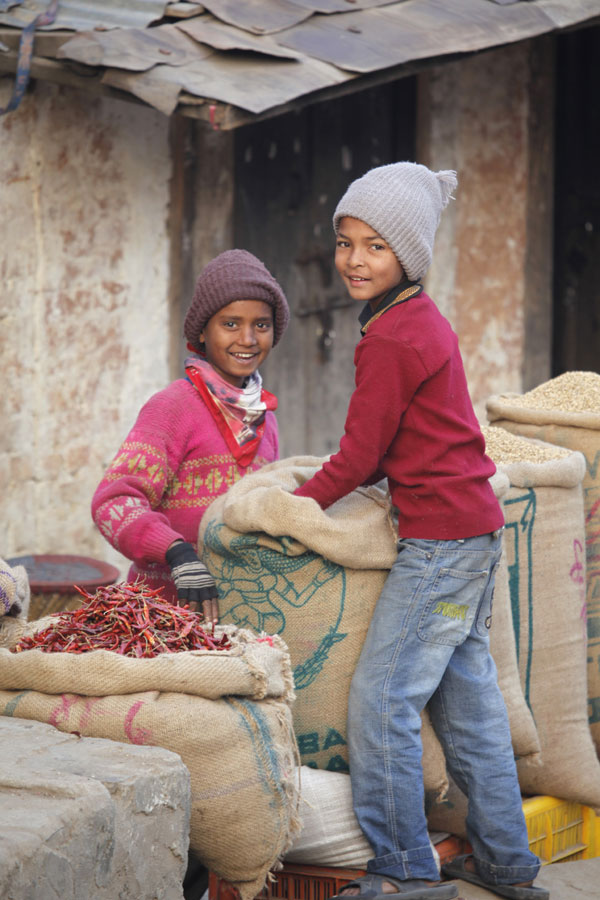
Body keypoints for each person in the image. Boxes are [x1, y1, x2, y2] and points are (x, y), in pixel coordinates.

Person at [293, 163, 547, 900]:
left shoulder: (395, 337)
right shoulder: (414, 319)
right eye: (345, 242)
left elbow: (361, 456)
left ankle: (404, 873)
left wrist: (297, 509)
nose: (354, 260)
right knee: (469, 709)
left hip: (440, 547)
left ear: (408, 255)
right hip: (472, 532)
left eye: (375, 245)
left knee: (381, 701)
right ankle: (507, 865)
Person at [92, 249, 289, 625]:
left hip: (237, 617)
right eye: (230, 324)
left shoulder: (264, 417)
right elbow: (113, 501)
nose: (247, 339)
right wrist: (175, 551)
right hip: (160, 616)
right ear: (202, 330)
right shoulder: (173, 407)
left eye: (261, 325)